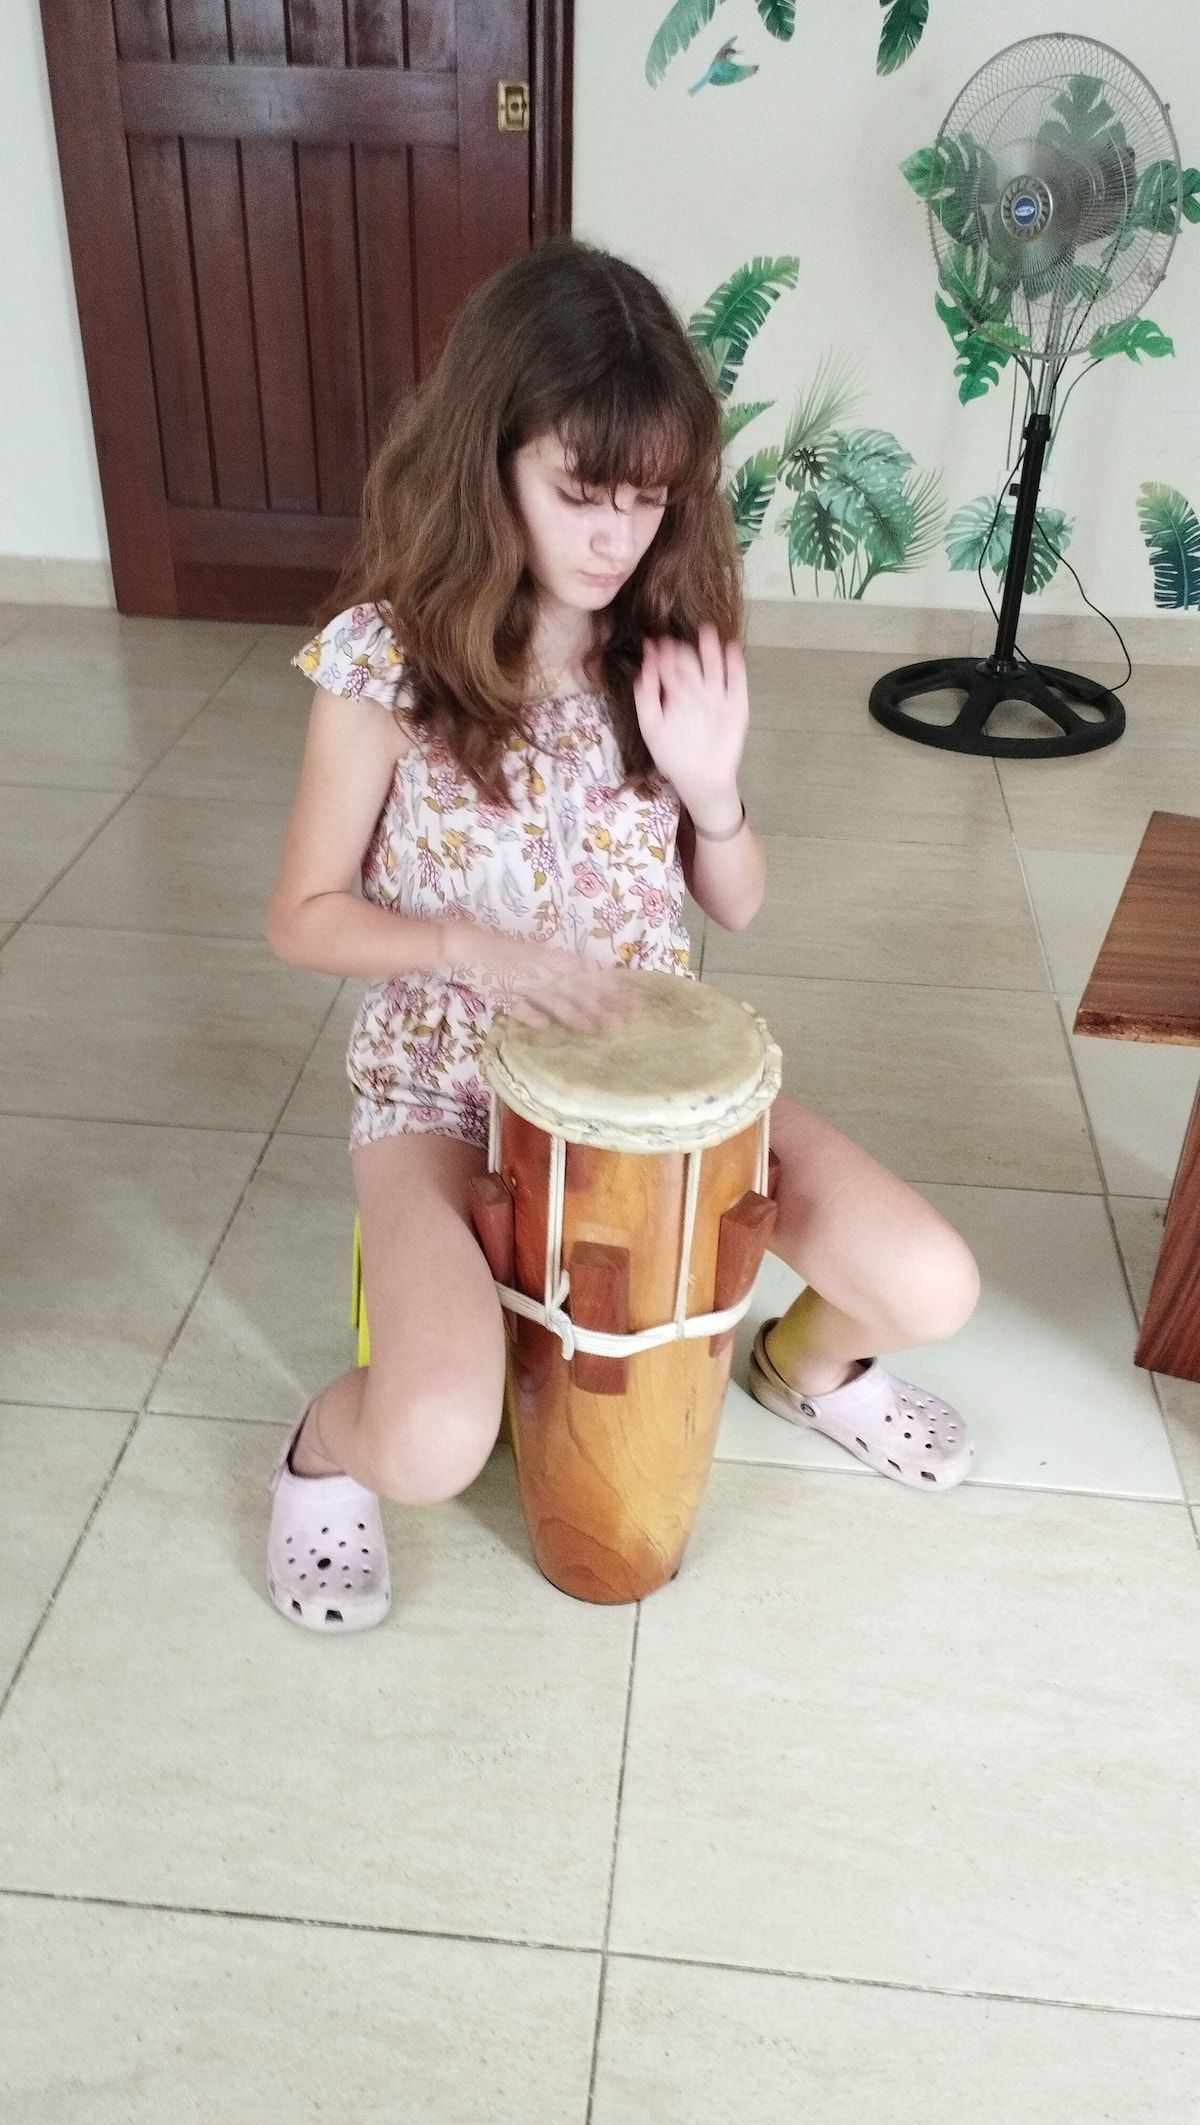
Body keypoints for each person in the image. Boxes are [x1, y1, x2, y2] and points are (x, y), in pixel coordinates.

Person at [264, 238, 980, 1633]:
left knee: (928, 1282)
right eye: (578, 494)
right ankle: (316, 1451)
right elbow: (301, 919)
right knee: (428, 1443)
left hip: (655, 1100)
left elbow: (742, 902)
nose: (615, 538)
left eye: (645, 501)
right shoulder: (381, 661)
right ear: (492, 466)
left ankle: (804, 1370)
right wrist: (475, 949)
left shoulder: (664, 637)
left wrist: (713, 790)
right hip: (442, 1100)